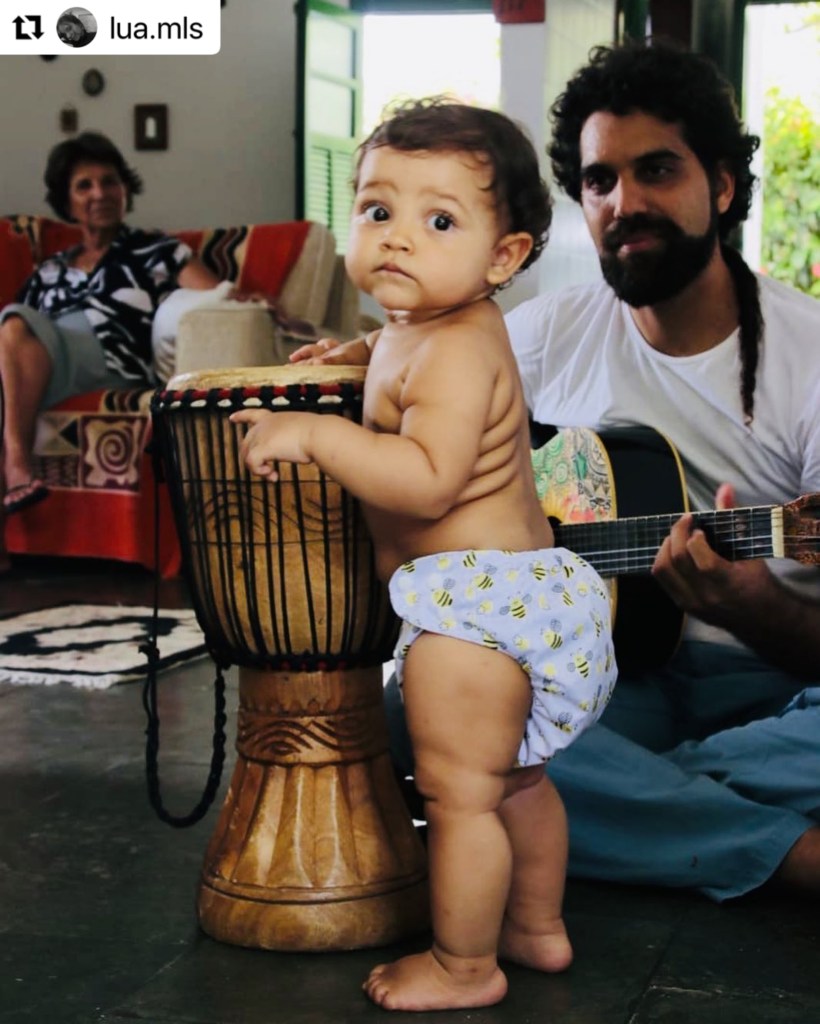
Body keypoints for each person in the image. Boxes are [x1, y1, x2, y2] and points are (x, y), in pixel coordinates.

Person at [307, 42, 820, 903]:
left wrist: (753, 606)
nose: (625, 203)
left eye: (656, 170)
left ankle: (633, 807)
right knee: (409, 708)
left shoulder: (809, 353)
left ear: (723, 188)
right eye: (599, 181)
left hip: (774, 691)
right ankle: (780, 850)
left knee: (480, 757)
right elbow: (419, 361)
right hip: (606, 686)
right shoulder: (542, 332)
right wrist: (357, 359)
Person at [231, 99, 617, 1011]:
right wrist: (361, 351)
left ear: (503, 257)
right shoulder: (435, 328)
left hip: (476, 616)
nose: (399, 238)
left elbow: (430, 479)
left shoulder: (454, 352)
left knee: (459, 799)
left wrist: (314, 438)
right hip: (518, 595)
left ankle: (465, 965)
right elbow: (400, 358)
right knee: (516, 781)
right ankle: (536, 927)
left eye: (438, 220)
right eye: (377, 211)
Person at [0, 131, 219, 570]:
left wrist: (263, 307)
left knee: (16, 321)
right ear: (68, 199)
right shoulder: (50, 269)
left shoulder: (157, 250)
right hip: (45, 366)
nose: (99, 193)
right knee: (13, 336)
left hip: (109, 360)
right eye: (84, 185)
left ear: (125, 189)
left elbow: (217, 301)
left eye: (110, 181)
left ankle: (17, 465)